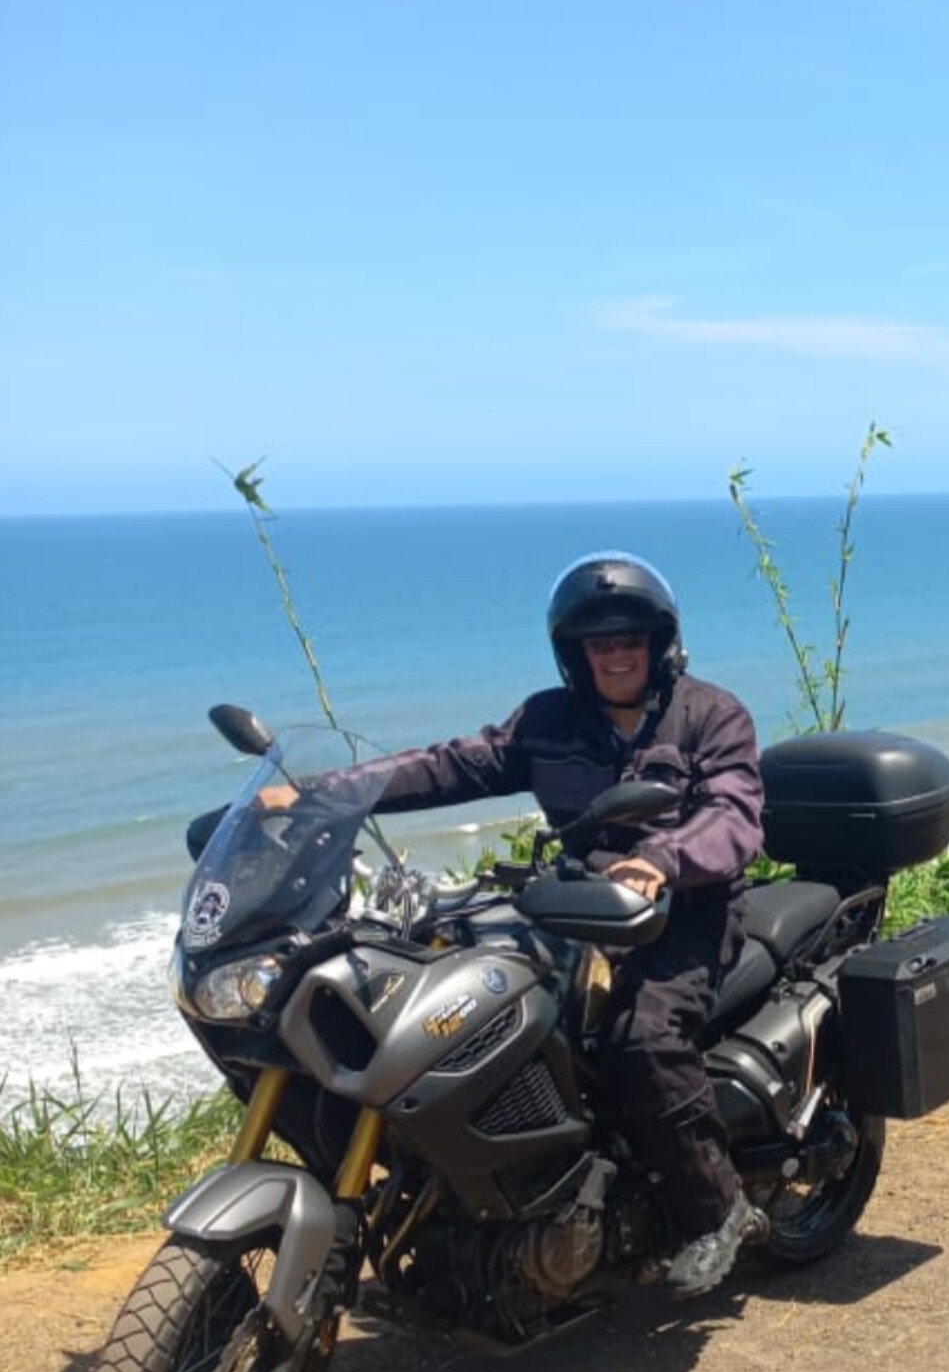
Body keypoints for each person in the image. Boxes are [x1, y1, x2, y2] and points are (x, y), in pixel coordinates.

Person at [269, 552, 767, 1297]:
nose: (616, 654)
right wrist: (323, 794)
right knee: (477, 1020)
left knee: (641, 1039)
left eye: (629, 639)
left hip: (688, 910)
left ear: (659, 642)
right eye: (598, 642)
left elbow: (735, 814)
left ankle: (719, 1210)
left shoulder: (711, 716)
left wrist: (661, 860)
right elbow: (450, 766)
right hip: (577, 906)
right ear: (574, 653)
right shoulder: (547, 721)